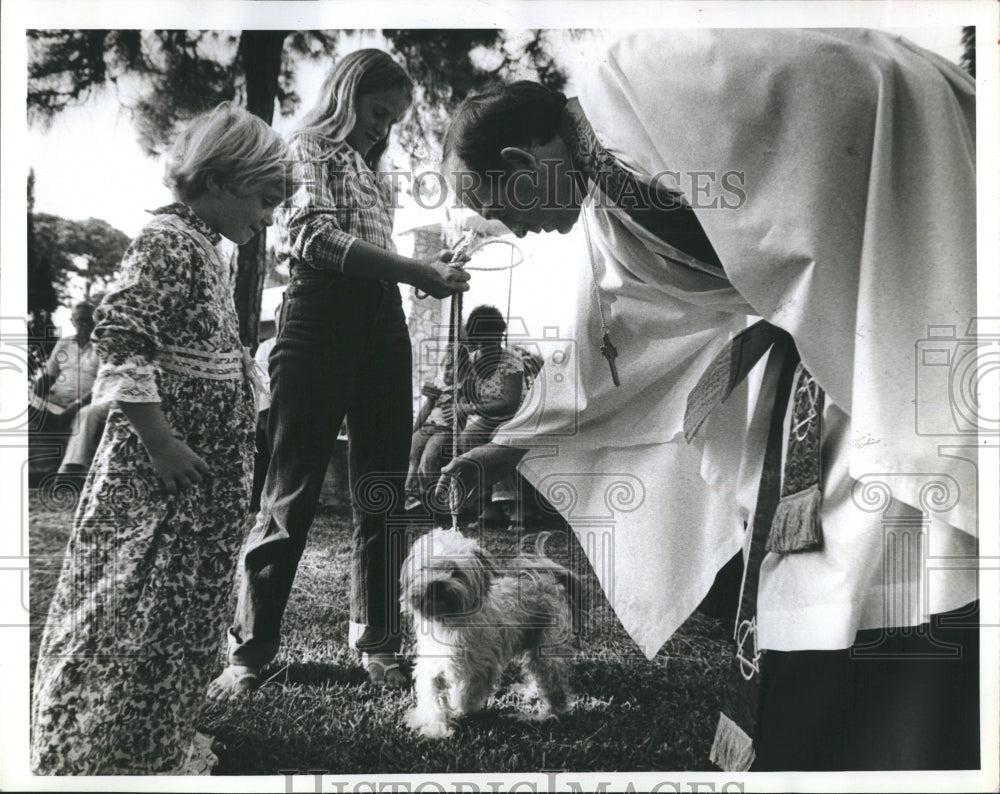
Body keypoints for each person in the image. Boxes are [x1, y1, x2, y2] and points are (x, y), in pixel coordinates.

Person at [438, 29, 978, 770]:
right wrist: (511, 442)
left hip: (912, 263)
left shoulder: (638, 79)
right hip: (832, 349)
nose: (513, 229)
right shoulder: (610, 225)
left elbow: (838, 78)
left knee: (918, 515)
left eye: (496, 204)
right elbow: (619, 352)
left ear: (522, 163)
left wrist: (850, 237)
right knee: (818, 549)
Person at [30, 102, 288, 774]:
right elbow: (123, 340)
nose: (269, 218)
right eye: (265, 199)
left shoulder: (207, 249)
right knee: (132, 615)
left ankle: (155, 738)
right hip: (158, 490)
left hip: (195, 496)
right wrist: (161, 442)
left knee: (174, 624)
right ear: (220, 179)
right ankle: (98, 746)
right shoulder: (168, 243)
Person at [207, 49, 470, 698]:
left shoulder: (372, 172)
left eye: (394, 119)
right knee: (290, 490)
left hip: (384, 324)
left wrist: (424, 282)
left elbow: (377, 262)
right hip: (317, 318)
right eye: (379, 112)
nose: (384, 128)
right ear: (349, 94)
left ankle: (376, 643)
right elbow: (312, 240)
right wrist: (415, 272)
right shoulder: (307, 148)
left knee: (381, 489)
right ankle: (251, 651)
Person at [404, 342, 468, 512]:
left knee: (429, 458)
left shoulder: (463, 388)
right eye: (446, 367)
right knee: (411, 451)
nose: (449, 372)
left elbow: (464, 416)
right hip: (428, 426)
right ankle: (409, 494)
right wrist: (413, 429)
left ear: (463, 370)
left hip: (445, 430)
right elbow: (426, 409)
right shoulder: (437, 384)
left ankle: (431, 499)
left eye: (455, 368)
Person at [29, 301, 99, 434]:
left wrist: (77, 405)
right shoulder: (64, 343)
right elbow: (49, 375)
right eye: (80, 320)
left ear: (96, 321)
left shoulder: (103, 347)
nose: (85, 324)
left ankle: (52, 423)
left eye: (89, 320)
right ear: (72, 321)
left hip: (83, 403)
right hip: (55, 400)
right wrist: (35, 392)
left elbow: (103, 385)